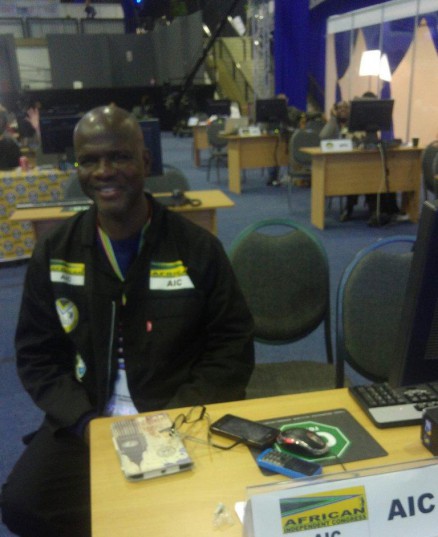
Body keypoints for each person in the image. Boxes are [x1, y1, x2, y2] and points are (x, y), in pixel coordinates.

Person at [2, 105, 255, 537]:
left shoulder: (196, 248)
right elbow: (37, 355)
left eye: (118, 157)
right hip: (89, 422)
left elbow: (231, 347)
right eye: (89, 160)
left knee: (218, 510)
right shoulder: (57, 251)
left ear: (145, 162)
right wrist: (84, 423)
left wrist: (177, 418)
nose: (104, 171)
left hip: (180, 418)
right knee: (23, 504)